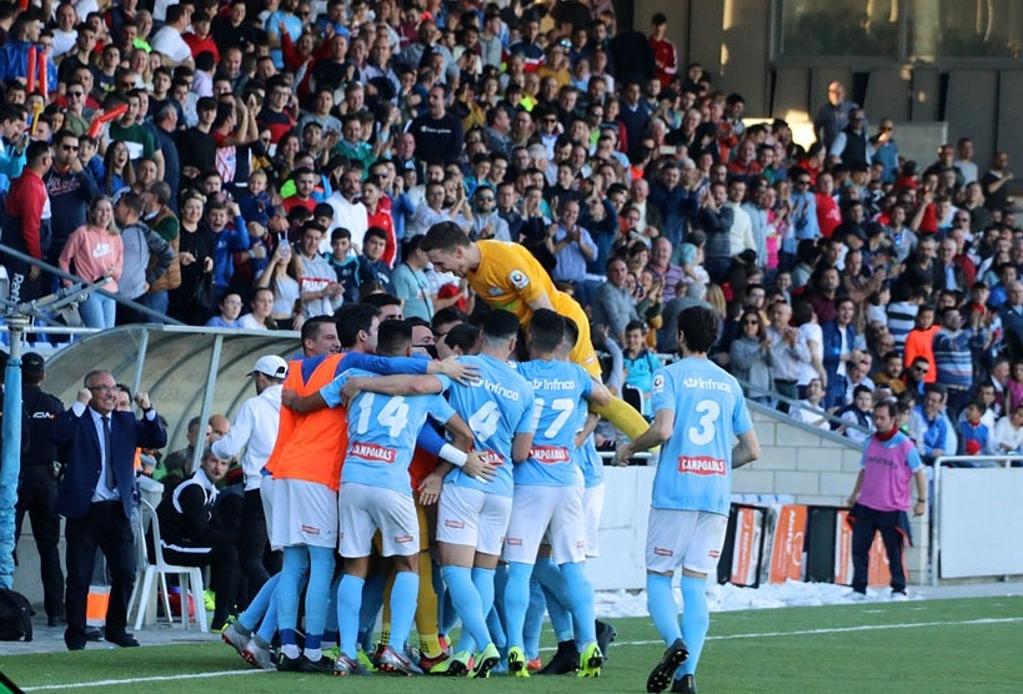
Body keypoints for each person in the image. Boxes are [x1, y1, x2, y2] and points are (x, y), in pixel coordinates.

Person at [282, 319, 481, 676]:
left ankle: (343, 651)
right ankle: (393, 649)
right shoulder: (428, 390)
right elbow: (464, 434)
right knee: (408, 564)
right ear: (408, 352)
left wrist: (293, 399)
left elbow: (307, 404)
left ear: (377, 349)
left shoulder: (351, 377)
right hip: (392, 482)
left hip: (352, 480)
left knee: (355, 567)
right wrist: (456, 462)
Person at [614, 305, 760, 694]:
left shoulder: (668, 375)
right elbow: (752, 450)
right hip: (714, 496)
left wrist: (630, 446)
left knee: (659, 578)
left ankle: (675, 645)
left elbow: (663, 428)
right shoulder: (730, 384)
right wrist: (716, 464)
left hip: (676, 491)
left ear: (679, 337)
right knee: (695, 586)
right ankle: (687, 678)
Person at [421, 222, 649, 440]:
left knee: (599, 397)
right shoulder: (472, 270)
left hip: (562, 323)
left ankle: (653, 442)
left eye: (440, 263)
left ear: (458, 252)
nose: (441, 271)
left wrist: (559, 356)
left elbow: (546, 312)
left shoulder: (504, 263)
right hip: (532, 333)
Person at [503, 310, 611, 678]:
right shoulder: (576, 374)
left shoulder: (519, 374)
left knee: (519, 569)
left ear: (529, 338)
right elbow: (606, 398)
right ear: (561, 343)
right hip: (568, 479)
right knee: (574, 569)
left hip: (530, 482)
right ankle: (589, 645)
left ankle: (515, 649)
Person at [54, 370, 167, 651]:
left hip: (117, 509)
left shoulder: (124, 421)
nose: (110, 393)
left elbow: (158, 438)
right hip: (85, 511)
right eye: (102, 388)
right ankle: (76, 634)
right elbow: (57, 436)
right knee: (79, 577)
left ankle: (116, 629)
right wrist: (78, 405)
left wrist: (148, 409)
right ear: (89, 392)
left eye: (112, 387)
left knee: (126, 572)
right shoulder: (78, 420)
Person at [211, 355, 287, 601]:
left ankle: (277, 601)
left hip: (258, 485)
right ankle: (274, 623)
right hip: (289, 486)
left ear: (261, 377)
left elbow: (230, 447)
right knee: (276, 556)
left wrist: (215, 448)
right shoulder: (294, 403)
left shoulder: (254, 406)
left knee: (250, 558)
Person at [845, 400, 926, 599]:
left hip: (892, 508)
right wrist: (855, 493)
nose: (878, 422)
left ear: (893, 419)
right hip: (867, 505)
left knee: (894, 552)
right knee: (859, 549)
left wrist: (921, 500)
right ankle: (859, 588)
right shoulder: (870, 442)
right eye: (875, 418)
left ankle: (898, 588)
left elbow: (919, 472)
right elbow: (864, 469)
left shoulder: (905, 445)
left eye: (882, 418)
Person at [155, 447, 241, 629]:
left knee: (229, 550)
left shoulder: (209, 489)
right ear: (203, 461)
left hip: (182, 543)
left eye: (223, 464)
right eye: (213, 461)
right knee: (227, 553)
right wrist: (234, 538)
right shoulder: (193, 488)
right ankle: (221, 619)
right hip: (168, 546)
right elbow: (200, 532)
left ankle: (230, 611)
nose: (218, 468)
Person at [14, 352, 66, 626]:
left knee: (4, 544)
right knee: (49, 548)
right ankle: (56, 611)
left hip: (14, 480)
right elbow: (67, 441)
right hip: (47, 481)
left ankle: (7, 606)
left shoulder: (9, 401)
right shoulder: (53, 405)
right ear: (43, 375)